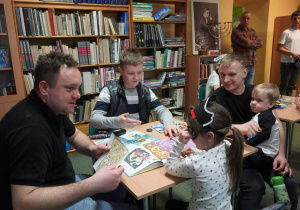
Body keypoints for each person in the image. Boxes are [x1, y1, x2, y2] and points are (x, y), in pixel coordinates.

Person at [0, 52, 137, 210]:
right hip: (45, 199)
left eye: (78, 87)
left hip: (61, 180)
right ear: (44, 87)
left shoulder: (50, 107)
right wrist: (91, 185)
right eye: (70, 88)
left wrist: (92, 148)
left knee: (118, 190)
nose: (78, 95)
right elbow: (22, 203)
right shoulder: (31, 132)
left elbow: (74, 134)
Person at [210, 53, 298, 210]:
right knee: (254, 186)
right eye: (222, 74)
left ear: (245, 73)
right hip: (239, 157)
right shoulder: (217, 98)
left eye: (232, 74)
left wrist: (281, 154)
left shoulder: (258, 92)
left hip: (265, 154)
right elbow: (212, 131)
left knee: (288, 181)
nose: (225, 80)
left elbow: (276, 124)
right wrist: (239, 128)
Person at [165, 97, 244, 209]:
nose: (190, 137)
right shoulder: (229, 146)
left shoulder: (195, 163)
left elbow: (169, 166)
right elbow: (211, 156)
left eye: (192, 132)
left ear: (210, 136)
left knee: (169, 204)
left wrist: (179, 142)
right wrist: (196, 151)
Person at [90, 49, 180, 137]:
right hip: (116, 136)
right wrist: (117, 122)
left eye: (139, 72)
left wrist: (168, 123)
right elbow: (94, 120)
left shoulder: (146, 91)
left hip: (140, 135)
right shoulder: (109, 91)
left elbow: (163, 110)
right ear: (120, 71)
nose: (136, 78)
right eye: (131, 73)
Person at [245, 82, 281, 195]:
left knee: (238, 160)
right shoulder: (262, 114)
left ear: (270, 104)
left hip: (264, 154)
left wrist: (247, 143)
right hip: (263, 153)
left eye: (259, 100)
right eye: (252, 99)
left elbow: (264, 134)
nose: (253, 103)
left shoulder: (267, 115)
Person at [231, 11, 263, 85]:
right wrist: (253, 43)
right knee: (239, 85)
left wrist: (249, 44)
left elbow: (261, 43)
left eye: (248, 18)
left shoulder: (252, 31)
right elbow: (246, 43)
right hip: (241, 63)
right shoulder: (236, 31)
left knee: (249, 86)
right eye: (244, 18)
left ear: (250, 20)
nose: (246, 20)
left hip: (252, 63)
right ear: (240, 19)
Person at [276, 11, 300, 96]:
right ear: (291, 20)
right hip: (287, 63)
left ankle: (288, 105)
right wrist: (291, 53)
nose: (297, 20)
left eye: (299, 18)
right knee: (284, 86)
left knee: (291, 86)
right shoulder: (286, 32)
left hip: (297, 63)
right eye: (295, 18)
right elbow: (278, 48)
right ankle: (280, 105)